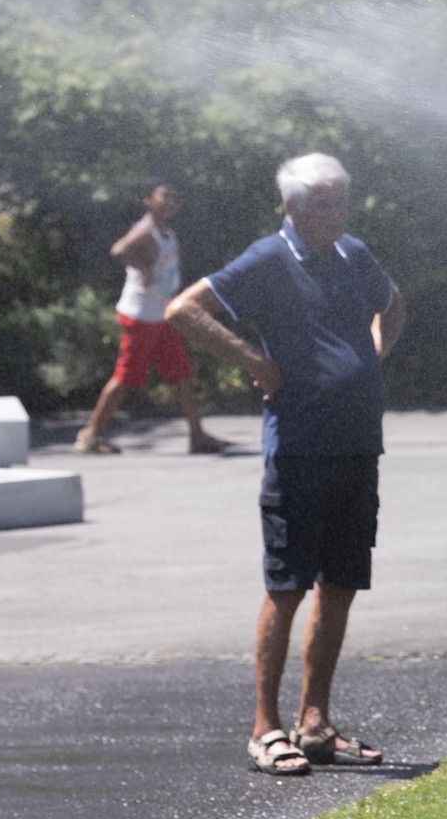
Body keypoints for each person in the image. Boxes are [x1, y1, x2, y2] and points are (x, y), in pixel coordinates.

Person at [165, 153, 408, 777]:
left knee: (342, 582)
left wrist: (371, 357)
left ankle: (315, 723)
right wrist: (255, 363)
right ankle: (265, 729)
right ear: (292, 209)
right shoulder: (269, 259)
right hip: (299, 445)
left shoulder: (354, 255)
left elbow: (394, 304)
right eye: (323, 203)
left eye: (341, 201)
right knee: (288, 585)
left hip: (357, 443)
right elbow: (184, 311)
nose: (337, 213)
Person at [75, 179, 228, 455]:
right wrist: (144, 270)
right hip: (142, 316)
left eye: (175, 198)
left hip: (163, 316)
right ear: (148, 199)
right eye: (165, 196)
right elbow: (119, 250)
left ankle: (197, 435)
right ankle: (89, 434)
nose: (171, 203)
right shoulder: (146, 231)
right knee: (125, 377)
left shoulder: (165, 232)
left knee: (180, 373)